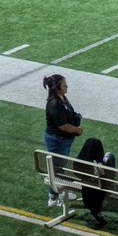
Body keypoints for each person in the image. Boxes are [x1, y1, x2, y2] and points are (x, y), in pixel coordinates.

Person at [42, 74, 82, 207]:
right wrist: (77, 130)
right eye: (64, 84)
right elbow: (63, 125)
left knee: (59, 167)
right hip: (57, 140)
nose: (67, 86)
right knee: (57, 169)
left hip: (62, 139)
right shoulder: (54, 104)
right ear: (57, 88)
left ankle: (60, 192)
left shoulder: (62, 98)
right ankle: (53, 197)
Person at [74, 138, 116, 230]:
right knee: (110, 156)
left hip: (86, 189)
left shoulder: (77, 162)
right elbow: (104, 176)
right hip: (99, 190)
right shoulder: (97, 166)